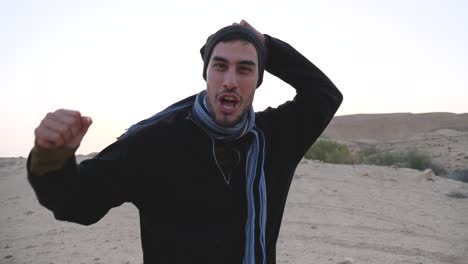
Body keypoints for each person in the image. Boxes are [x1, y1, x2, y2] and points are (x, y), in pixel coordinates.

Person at [27, 20, 343, 264]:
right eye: (220, 66)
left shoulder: (276, 137)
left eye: (245, 69)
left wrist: (266, 46)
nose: (230, 80)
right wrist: (50, 159)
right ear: (206, 73)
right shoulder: (153, 142)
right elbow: (77, 204)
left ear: (259, 79)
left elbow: (324, 95)